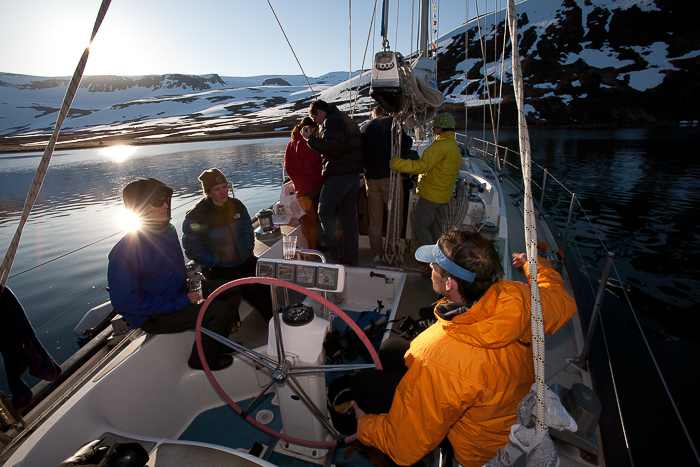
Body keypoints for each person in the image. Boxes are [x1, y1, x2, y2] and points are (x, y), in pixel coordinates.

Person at [350, 228, 578, 466]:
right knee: (390, 350)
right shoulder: (517, 297)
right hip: (501, 409)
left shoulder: (439, 357)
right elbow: (562, 301)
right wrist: (534, 264)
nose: (430, 270)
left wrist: (364, 426)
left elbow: (404, 446)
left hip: (476, 447)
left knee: (361, 384)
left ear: (449, 284)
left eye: (434, 267)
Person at [107, 178, 241, 371]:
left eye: (165, 200)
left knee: (230, 288)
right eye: (157, 202)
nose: (165, 206)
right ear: (139, 208)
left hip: (178, 292)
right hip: (155, 314)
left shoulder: (167, 230)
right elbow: (125, 302)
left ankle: (216, 344)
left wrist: (188, 281)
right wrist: (182, 301)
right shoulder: (125, 251)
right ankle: (201, 360)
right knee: (216, 310)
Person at [182, 168, 273, 323]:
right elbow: (194, 251)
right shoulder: (196, 216)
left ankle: (274, 311)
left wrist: (246, 251)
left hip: (242, 257)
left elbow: (247, 231)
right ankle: (272, 319)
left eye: (225, 187)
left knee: (266, 275)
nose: (223, 192)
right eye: (217, 189)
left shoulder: (236, 205)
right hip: (217, 267)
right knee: (250, 288)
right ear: (208, 192)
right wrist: (221, 261)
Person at [301, 100, 364, 265]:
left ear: (321, 111)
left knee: (324, 212)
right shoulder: (346, 119)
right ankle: (352, 258)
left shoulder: (331, 121)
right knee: (349, 217)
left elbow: (332, 149)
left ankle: (336, 252)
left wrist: (310, 139)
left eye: (315, 117)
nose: (315, 121)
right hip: (353, 177)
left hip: (338, 176)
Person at [389, 112, 462, 250]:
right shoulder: (453, 146)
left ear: (440, 129)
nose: (433, 130)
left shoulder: (439, 146)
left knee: (420, 229)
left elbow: (420, 166)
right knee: (436, 230)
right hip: (443, 196)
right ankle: (439, 257)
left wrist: (396, 163)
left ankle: (431, 261)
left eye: (435, 128)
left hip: (431, 196)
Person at [360, 105, 413, 263]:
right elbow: (407, 144)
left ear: (373, 114)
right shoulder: (392, 123)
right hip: (391, 176)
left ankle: (376, 253)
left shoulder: (364, 127)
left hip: (371, 179)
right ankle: (391, 253)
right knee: (394, 217)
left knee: (375, 220)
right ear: (386, 113)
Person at [284, 116, 323, 250]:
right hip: (313, 189)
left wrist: (297, 182)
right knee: (318, 220)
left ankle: (313, 251)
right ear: (309, 128)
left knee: (308, 223)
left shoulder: (291, 143)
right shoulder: (306, 143)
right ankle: (320, 249)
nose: (317, 133)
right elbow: (314, 168)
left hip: (300, 190)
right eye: (316, 130)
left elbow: (287, 167)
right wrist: (325, 181)